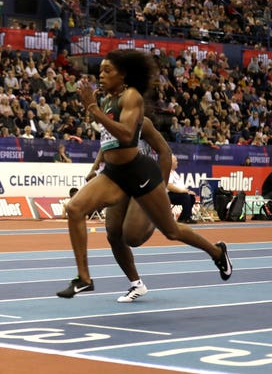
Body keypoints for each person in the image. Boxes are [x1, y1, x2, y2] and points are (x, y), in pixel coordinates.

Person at [57, 49, 232, 299]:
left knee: (166, 231)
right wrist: (95, 167)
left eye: (108, 71)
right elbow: (107, 143)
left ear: (124, 75)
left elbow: (128, 137)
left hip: (140, 173)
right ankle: (88, 279)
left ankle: (217, 251)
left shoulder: (131, 98)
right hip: (115, 173)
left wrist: (161, 185)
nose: (101, 75)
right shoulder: (105, 100)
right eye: (100, 71)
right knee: (80, 213)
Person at [86, 117, 172, 302]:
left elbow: (165, 151)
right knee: (113, 233)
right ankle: (136, 284)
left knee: (132, 237)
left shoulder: (141, 122)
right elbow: (105, 146)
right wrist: (94, 168)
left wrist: (161, 190)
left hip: (144, 181)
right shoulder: (109, 118)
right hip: (119, 180)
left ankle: (156, 216)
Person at [167, 155, 197, 224]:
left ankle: (183, 217)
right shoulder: (168, 172)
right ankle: (186, 218)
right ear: (171, 162)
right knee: (185, 196)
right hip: (169, 195)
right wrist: (183, 191)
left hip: (178, 194)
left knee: (191, 197)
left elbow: (181, 187)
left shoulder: (175, 173)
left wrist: (188, 191)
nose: (177, 162)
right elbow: (169, 187)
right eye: (176, 161)